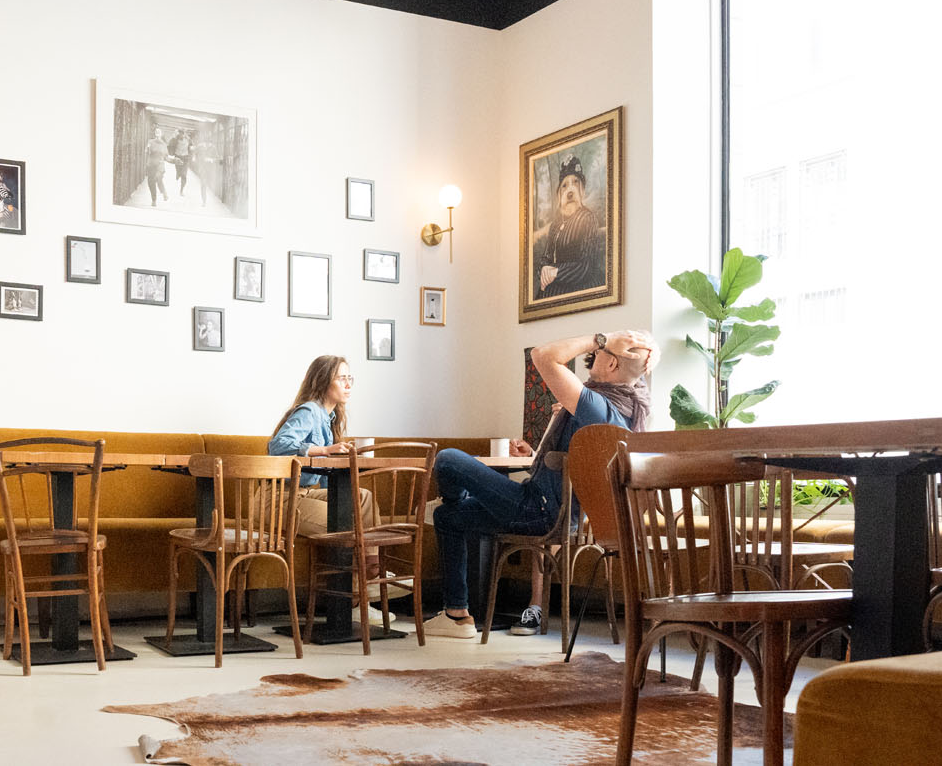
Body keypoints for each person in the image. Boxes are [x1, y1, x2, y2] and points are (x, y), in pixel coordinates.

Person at [424, 329, 657, 638]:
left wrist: (602, 337)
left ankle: (450, 497)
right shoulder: (627, 409)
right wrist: (535, 454)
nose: (593, 354)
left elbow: (543, 356)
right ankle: (456, 615)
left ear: (612, 365)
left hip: (538, 510)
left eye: (600, 352)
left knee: (448, 459)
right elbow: (573, 462)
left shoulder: (598, 406)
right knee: (447, 517)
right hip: (552, 510)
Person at [267, 355, 388, 622]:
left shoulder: (329, 418)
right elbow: (277, 447)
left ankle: (369, 574)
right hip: (277, 498)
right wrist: (324, 450)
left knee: (363, 498)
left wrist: (337, 456)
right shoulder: (310, 410)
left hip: (304, 493)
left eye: (349, 378)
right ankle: (357, 597)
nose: (348, 384)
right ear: (323, 381)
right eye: (341, 378)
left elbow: (325, 476)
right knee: (343, 521)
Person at [534, 154, 605, 299]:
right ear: (559, 195)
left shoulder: (587, 218)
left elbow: (586, 266)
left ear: (582, 190)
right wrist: (544, 269)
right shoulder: (555, 224)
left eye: (575, 182)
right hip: (553, 283)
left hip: (581, 285)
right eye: (564, 185)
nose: (570, 191)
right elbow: (545, 258)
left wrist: (556, 272)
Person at [144, 128, 168, 206]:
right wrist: (147, 149)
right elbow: (146, 151)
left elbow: (166, 156)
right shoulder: (150, 142)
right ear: (155, 134)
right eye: (156, 132)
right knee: (151, 183)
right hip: (151, 165)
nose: (157, 134)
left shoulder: (164, 144)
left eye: (159, 132)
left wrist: (174, 160)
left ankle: (164, 192)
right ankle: (154, 200)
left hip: (160, 166)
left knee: (158, 178)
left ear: (161, 134)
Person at [167, 128, 192, 197]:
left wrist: (191, 153)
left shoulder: (188, 139)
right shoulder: (175, 139)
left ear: (184, 134)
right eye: (180, 133)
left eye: (183, 133)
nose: (181, 135)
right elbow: (169, 145)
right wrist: (173, 137)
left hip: (185, 158)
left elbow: (191, 147)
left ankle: (181, 190)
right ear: (179, 133)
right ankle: (178, 173)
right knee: (178, 171)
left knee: (184, 175)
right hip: (178, 157)